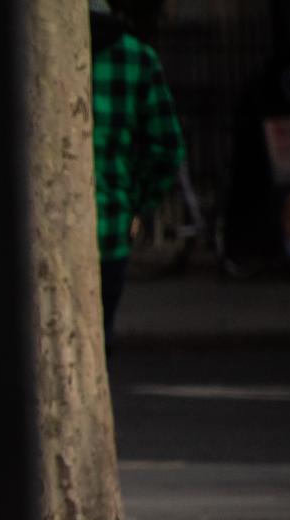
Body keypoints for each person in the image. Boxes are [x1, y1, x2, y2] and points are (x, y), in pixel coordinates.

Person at [90, 0, 185, 351]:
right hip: (110, 222)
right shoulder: (137, 58)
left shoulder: (28, 53)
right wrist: (139, 202)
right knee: (98, 341)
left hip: (39, 230)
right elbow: (166, 147)